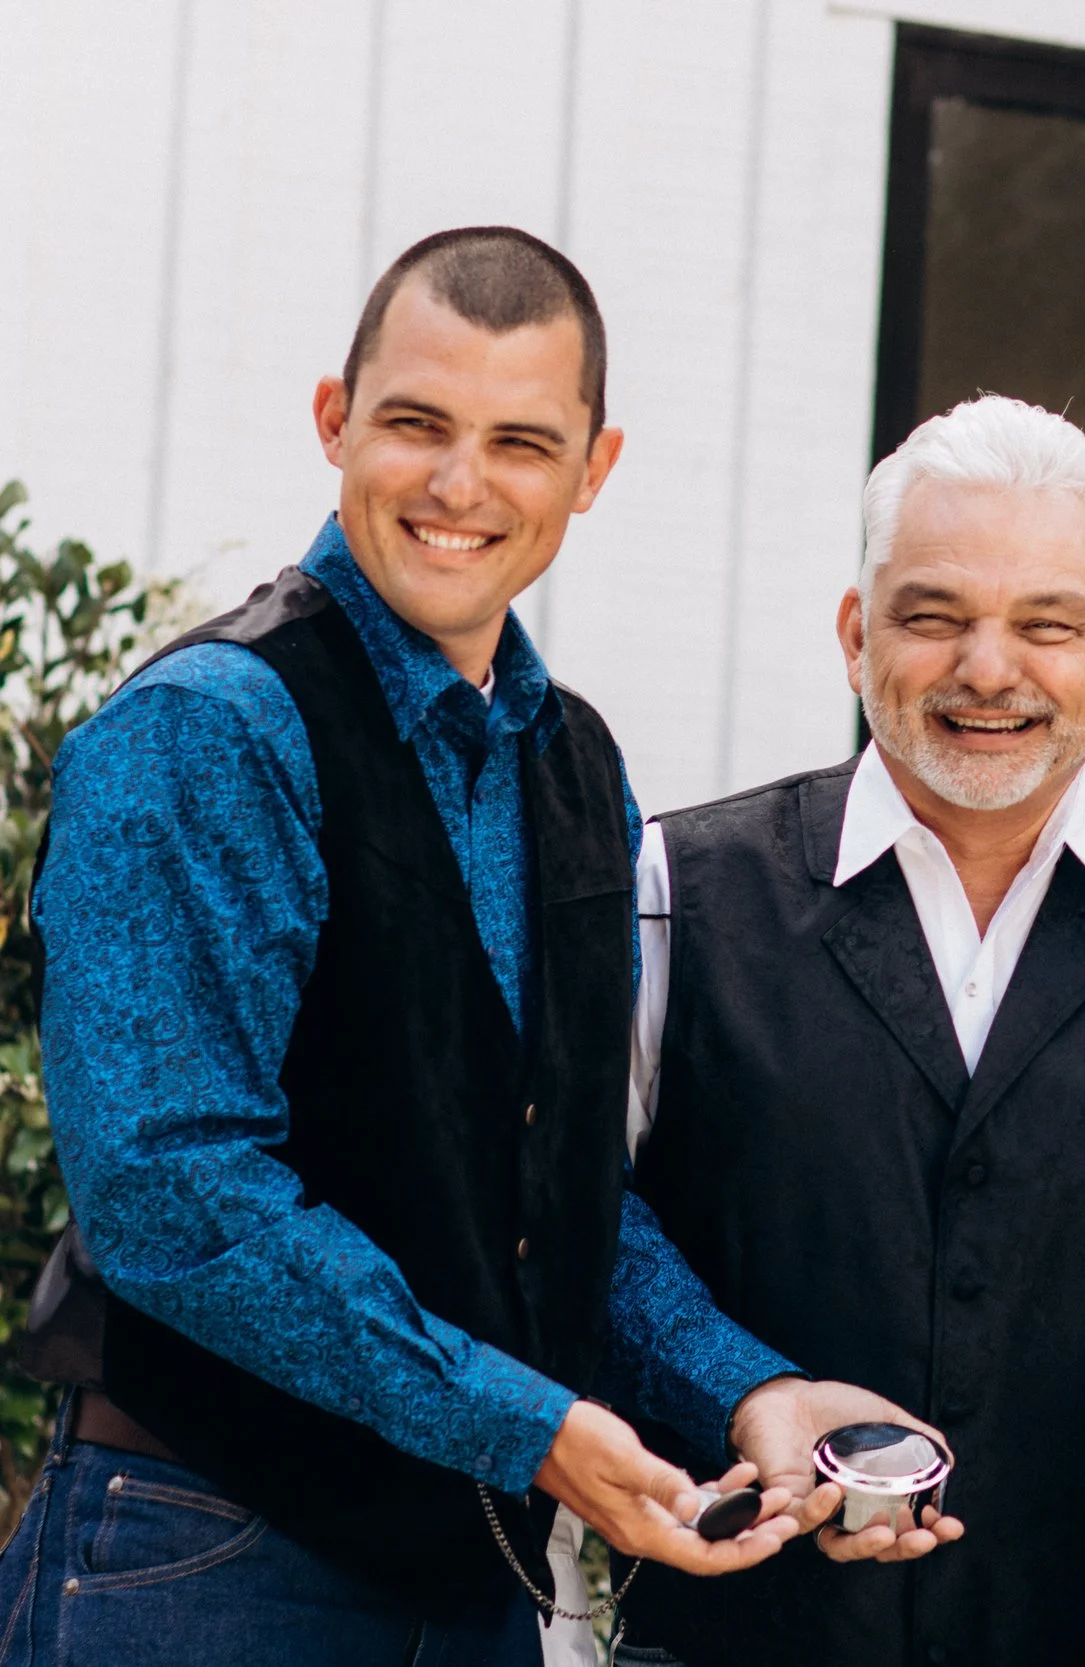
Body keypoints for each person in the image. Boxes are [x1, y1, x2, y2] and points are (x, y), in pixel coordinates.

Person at [2, 227, 934, 1667]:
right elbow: (172, 1192)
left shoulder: (577, 766)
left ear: (593, 469)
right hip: (200, 1555)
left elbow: (555, 1199)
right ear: (335, 419)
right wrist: (531, 1423)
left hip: (467, 1587)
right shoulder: (205, 732)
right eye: (417, 424)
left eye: (521, 442)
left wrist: (750, 1392)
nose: (459, 484)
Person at [607, 394, 1085, 1667]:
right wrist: (735, 1384)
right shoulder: (672, 892)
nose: (986, 667)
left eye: (1046, 624)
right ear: (855, 634)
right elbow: (570, 1218)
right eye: (933, 616)